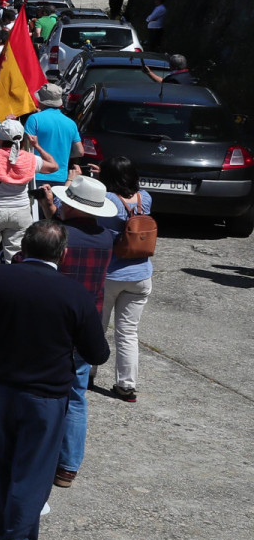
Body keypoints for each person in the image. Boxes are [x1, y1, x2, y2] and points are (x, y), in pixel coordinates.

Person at [0, 220, 109, 540]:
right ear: (63, 253)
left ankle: (1, 533)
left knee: (1, 464)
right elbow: (98, 353)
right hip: (45, 397)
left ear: (23, 248)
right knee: (33, 474)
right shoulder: (75, 294)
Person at [47, 175, 117, 491]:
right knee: (76, 395)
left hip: (53, 322)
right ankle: (68, 467)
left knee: (42, 391)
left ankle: (42, 455)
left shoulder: (59, 235)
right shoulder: (105, 238)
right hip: (87, 323)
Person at [0, 121, 58, 281]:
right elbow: (54, 166)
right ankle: (14, 285)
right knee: (16, 253)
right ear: (23, 139)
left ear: (0, 139)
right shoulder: (31, 159)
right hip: (21, 211)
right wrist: (37, 146)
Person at [98, 156, 152, 403]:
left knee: (97, 326)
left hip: (110, 274)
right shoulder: (146, 197)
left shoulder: (108, 199)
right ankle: (126, 386)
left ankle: (87, 373)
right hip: (141, 274)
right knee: (128, 332)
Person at [23, 84, 84, 198]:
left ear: (41, 100)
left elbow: (25, 148)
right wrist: (63, 154)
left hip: (37, 176)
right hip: (62, 178)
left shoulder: (34, 119)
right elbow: (80, 151)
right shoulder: (71, 123)